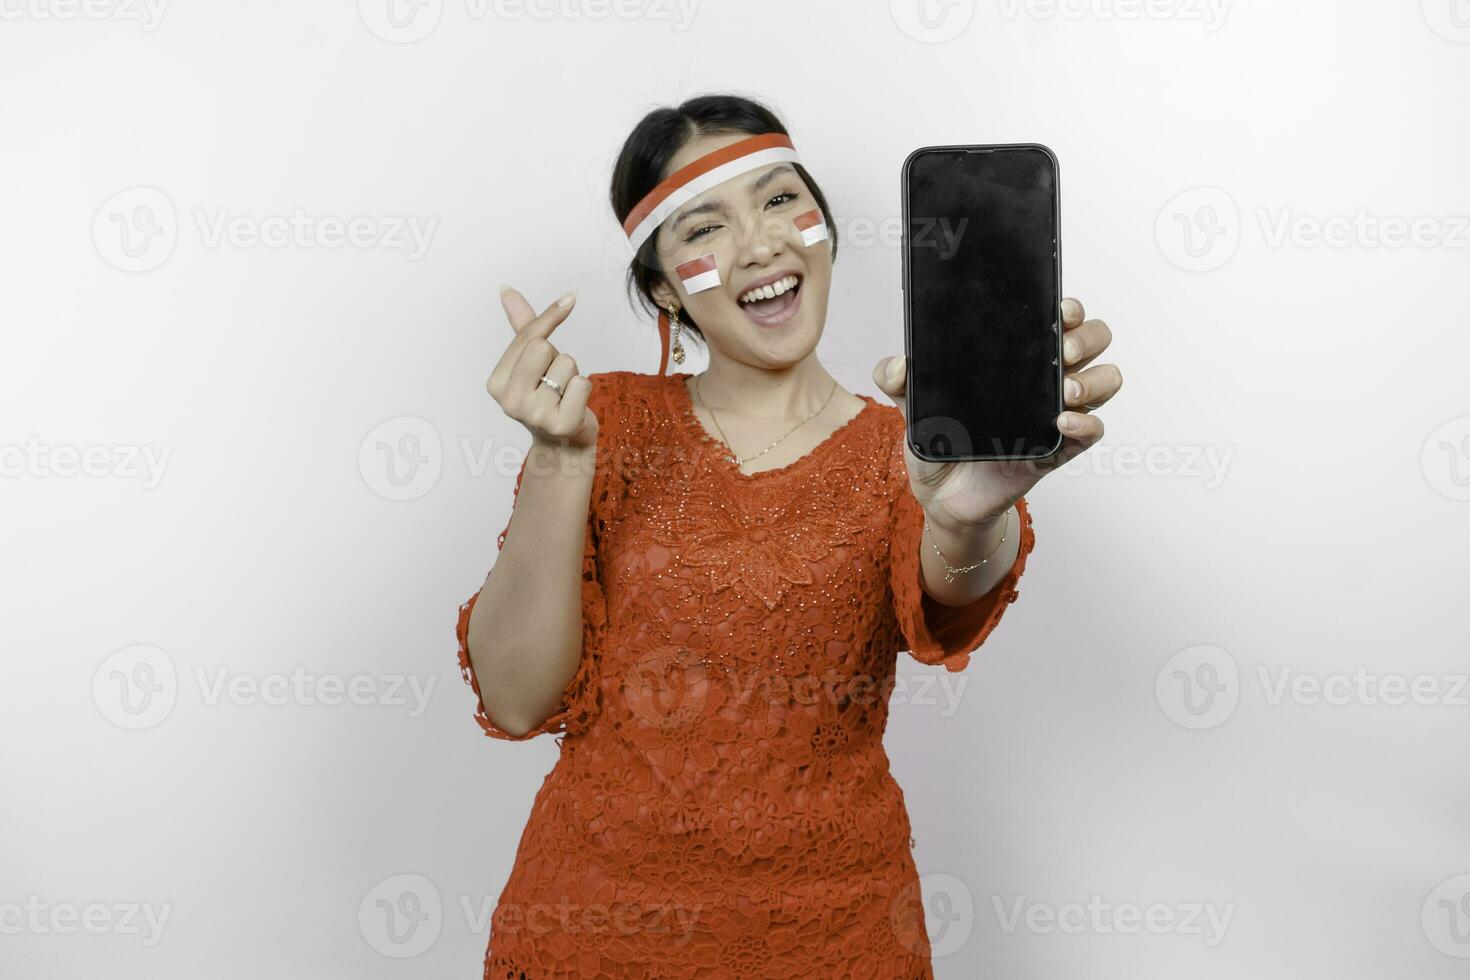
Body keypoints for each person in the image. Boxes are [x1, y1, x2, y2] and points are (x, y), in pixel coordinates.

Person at [456, 93, 1122, 979]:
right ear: (661, 286)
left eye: (777, 200)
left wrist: (969, 512)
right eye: (704, 227)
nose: (760, 242)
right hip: (593, 930)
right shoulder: (598, 421)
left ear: (823, 230)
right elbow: (514, 699)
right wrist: (557, 458)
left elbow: (953, 591)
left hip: (838, 935)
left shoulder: (909, 449)